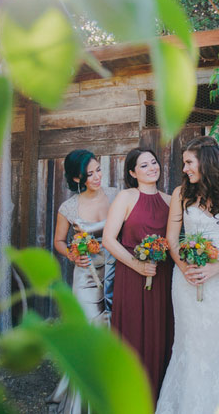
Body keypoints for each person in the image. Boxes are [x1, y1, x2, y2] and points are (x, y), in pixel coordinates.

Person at [156, 136, 219, 414]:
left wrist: (215, 268)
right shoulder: (180, 194)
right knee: (187, 343)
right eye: (184, 163)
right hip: (186, 281)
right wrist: (185, 268)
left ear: (206, 161)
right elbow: (171, 240)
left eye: (189, 162)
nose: (184, 168)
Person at [48, 149, 117, 414]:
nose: (97, 176)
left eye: (99, 169)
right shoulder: (69, 207)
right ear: (78, 177)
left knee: (113, 332)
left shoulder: (115, 195)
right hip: (87, 277)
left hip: (115, 271)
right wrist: (73, 256)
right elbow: (58, 242)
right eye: (90, 173)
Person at [102, 147, 173, 404]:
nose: (152, 168)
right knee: (132, 336)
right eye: (144, 165)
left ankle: (157, 400)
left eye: (154, 162)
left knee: (161, 336)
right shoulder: (126, 197)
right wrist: (137, 265)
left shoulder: (169, 200)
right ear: (133, 172)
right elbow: (109, 240)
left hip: (162, 276)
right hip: (131, 276)